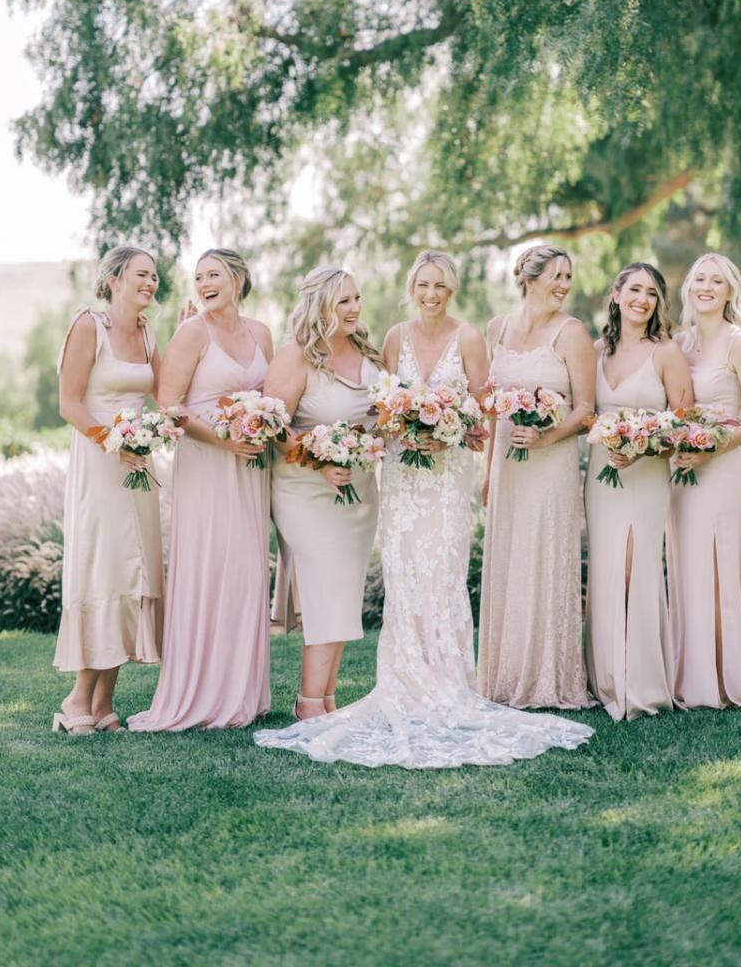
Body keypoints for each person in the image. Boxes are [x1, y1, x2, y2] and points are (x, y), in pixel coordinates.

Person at [255, 251, 594, 765]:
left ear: (452, 289)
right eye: (423, 284)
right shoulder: (393, 338)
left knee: (443, 574)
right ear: (411, 287)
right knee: (406, 574)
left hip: (447, 476)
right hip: (402, 477)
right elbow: (384, 409)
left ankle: (448, 683)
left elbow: (483, 407)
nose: (431, 293)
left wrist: (450, 432)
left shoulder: (470, 338)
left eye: (440, 285)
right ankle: (400, 681)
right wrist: (407, 430)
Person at [128, 249, 273, 731]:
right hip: (208, 464)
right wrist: (224, 438)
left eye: (214, 275)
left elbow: (271, 398)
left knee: (247, 571)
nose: (204, 284)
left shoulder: (262, 334)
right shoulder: (192, 332)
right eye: (198, 277)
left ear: (238, 279)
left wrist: (261, 428)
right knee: (210, 567)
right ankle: (199, 693)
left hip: (251, 469)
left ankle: (240, 692)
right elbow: (169, 403)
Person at [255, 267, 382, 724]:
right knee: (326, 586)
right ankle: (310, 703)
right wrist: (320, 458)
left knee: (343, 591)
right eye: (343, 300)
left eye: (356, 298)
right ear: (320, 305)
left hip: (358, 488)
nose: (354, 308)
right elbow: (274, 425)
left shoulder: (369, 352)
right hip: (304, 489)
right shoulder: (296, 357)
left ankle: (327, 700)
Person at [667, 253, 741, 709]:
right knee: (687, 564)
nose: (706, 287)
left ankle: (725, 677)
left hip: (722, 465)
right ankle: (688, 675)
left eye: (717, 281)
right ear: (688, 288)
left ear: (729, 292)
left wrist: (712, 448)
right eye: (699, 278)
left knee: (719, 564)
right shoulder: (678, 344)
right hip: (682, 469)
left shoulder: (739, 343)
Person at [478, 244, 596, 710]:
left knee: (543, 557)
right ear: (529, 277)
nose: (565, 285)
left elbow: (586, 409)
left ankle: (548, 677)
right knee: (509, 559)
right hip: (509, 465)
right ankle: (503, 675)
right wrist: (489, 468)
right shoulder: (497, 328)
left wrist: (548, 437)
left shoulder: (572, 333)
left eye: (569, 276)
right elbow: (491, 408)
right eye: (557, 275)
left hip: (551, 465)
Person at [53, 246, 163, 734]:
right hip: (101, 465)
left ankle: (104, 703)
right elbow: (70, 404)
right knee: (103, 568)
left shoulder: (148, 332)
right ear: (115, 278)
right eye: (141, 274)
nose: (150, 283)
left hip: (140, 466)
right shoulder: (87, 326)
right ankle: (76, 700)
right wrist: (112, 443)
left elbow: (168, 391)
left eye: (155, 277)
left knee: (133, 569)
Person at [585, 263, 692, 720]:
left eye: (651, 293)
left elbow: (684, 420)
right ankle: (605, 678)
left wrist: (644, 445)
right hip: (602, 476)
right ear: (616, 295)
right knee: (607, 568)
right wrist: (609, 439)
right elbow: (586, 413)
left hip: (647, 476)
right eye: (634, 290)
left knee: (635, 567)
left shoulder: (666, 353)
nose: (641, 300)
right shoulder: (595, 352)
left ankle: (641, 682)